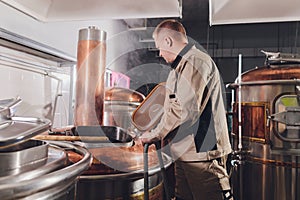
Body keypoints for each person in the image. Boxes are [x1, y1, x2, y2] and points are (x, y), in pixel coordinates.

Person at [139, 19, 234, 200]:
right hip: (186, 153)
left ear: (168, 41)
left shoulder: (194, 62)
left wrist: (156, 134)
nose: (159, 53)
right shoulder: (178, 68)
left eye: (159, 47)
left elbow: (184, 110)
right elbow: (173, 105)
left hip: (202, 153)